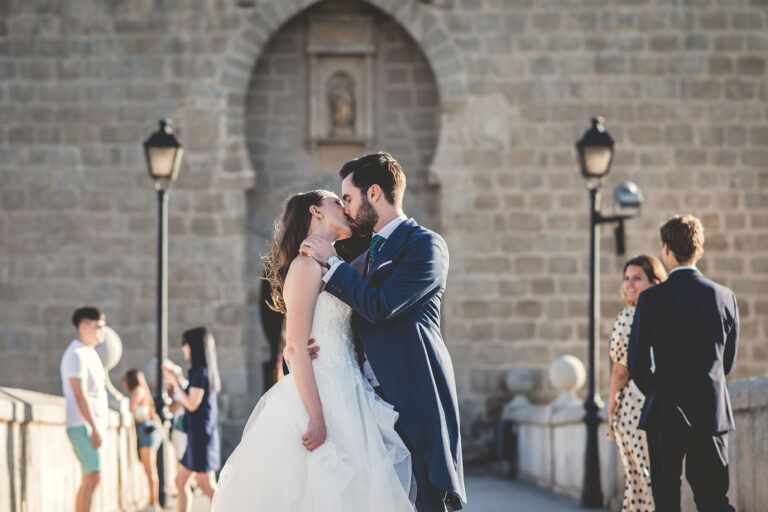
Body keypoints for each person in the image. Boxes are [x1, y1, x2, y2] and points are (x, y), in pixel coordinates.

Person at [211, 189, 416, 511]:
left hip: (350, 389)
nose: (346, 208)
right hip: (322, 394)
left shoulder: (336, 265)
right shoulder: (306, 267)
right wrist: (317, 418)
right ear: (316, 212)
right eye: (337, 202)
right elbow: (294, 347)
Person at [301, 152, 466, 511]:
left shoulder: (426, 245)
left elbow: (381, 306)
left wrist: (331, 262)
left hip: (413, 401)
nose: (345, 208)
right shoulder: (362, 257)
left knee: (423, 501)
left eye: (348, 198)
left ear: (373, 193)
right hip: (365, 408)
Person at [628, 215, 739, 512]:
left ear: (666, 249)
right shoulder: (725, 297)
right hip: (711, 409)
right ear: (698, 249)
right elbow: (726, 363)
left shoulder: (651, 299)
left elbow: (636, 363)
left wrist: (658, 391)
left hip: (666, 412)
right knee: (714, 498)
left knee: (666, 499)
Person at [608, 255, 667, 512]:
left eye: (637, 279)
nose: (629, 285)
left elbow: (621, 370)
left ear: (654, 283)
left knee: (638, 475)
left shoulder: (629, 316)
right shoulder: (667, 314)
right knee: (656, 473)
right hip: (659, 399)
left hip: (632, 402)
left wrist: (611, 403)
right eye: (626, 278)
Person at [163, 327, 222, 512]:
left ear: (193, 346)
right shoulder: (201, 371)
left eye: (185, 344)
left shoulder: (200, 372)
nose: (183, 349)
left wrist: (173, 380)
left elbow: (192, 404)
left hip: (201, 437)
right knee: (181, 482)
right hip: (198, 435)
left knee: (206, 485)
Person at [60, 306, 109, 512]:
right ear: (84, 326)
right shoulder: (75, 354)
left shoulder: (89, 353)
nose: (102, 332)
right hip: (82, 426)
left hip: (90, 425)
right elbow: (80, 394)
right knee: (93, 475)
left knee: (91, 477)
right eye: (99, 327)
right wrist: (94, 427)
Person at [123, 369, 163, 512]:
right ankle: (153, 502)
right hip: (150, 430)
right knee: (150, 469)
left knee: (150, 470)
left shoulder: (138, 391)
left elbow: (131, 407)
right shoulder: (144, 391)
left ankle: (154, 504)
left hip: (146, 431)